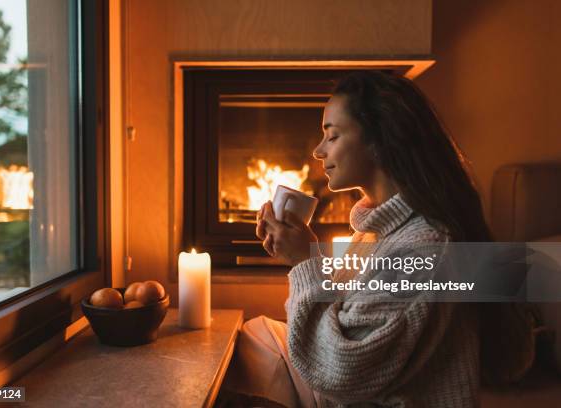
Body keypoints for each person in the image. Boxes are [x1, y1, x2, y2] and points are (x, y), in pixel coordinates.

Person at [222, 71, 533, 408]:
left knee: (248, 365)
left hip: (369, 394)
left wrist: (304, 262)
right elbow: (350, 315)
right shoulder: (380, 230)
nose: (317, 151)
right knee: (253, 338)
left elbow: (344, 371)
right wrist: (306, 257)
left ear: (379, 141)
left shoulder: (424, 246)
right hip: (359, 387)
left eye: (333, 136)